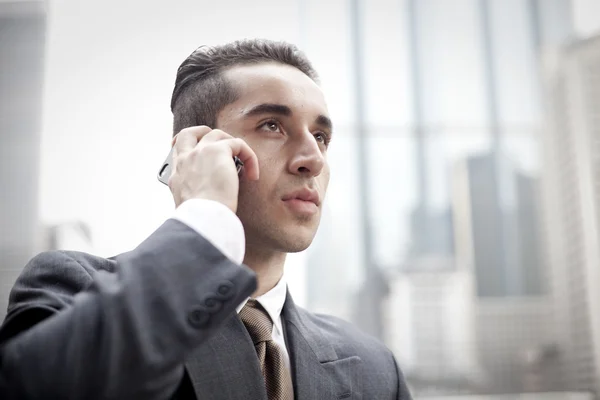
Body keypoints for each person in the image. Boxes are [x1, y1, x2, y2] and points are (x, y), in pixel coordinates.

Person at [0, 39, 412, 400]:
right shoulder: (72, 287)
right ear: (194, 150)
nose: (313, 159)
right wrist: (205, 218)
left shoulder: (376, 368)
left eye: (321, 137)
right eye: (272, 125)